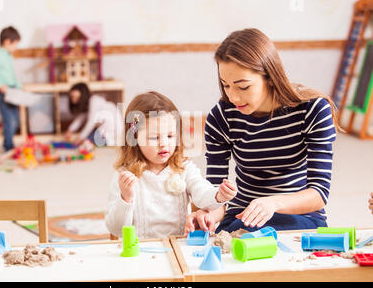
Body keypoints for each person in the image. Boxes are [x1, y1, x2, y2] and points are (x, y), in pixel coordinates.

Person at [185, 28, 341, 234]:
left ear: (269, 76)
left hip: (300, 217)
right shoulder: (221, 117)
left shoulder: (312, 110)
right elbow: (216, 193)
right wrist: (207, 215)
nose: (233, 97)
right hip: (242, 216)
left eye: (243, 87)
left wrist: (272, 204)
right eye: (226, 85)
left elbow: (319, 193)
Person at [105, 91, 236, 238]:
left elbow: (202, 193)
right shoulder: (124, 176)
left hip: (177, 247)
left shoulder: (184, 168)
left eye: (170, 136)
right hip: (140, 252)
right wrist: (125, 198)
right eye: (154, 137)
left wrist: (218, 195)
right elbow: (115, 229)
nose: (164, 144)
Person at [65, 82, 123, 147]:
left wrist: (80, 138)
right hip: (104, 129)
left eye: (74, 97)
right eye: (72, 97)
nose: (73, 99)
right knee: (88, 138)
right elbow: (80, 119)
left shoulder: (94, 101)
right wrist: (70, 130)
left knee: (87, 141)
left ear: (82, 94)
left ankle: (104, 142)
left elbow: (91, 123)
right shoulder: (88, 104)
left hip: (111, 130)